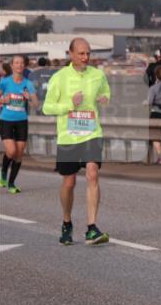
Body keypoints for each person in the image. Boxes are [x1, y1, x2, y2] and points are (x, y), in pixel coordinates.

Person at [42, 38, 111, 245]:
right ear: (70, 54)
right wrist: (70, 104)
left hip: (92, 133)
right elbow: (47, 107)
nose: (85, 57)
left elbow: (106, 92)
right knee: (69, 182)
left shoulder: (98, 75)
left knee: (92, 173)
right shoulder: (59, 77)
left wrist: (104, 98)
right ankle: (66, 222)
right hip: (68, 136)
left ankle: (91, 228)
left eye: (88, 53)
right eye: (81, 53)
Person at [0, 54, 37, 193]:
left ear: (24, 66)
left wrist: (29, 98)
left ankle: (11, 184)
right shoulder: (5, 81)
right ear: (12, 65)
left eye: (22, 63)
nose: (19, 65)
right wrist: (2, 100)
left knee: (19, 154)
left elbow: (36, 104)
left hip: (22, 121)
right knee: (12, 151)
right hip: (6, 120)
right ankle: (2, 173)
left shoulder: (28, 83)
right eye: (17, 63)